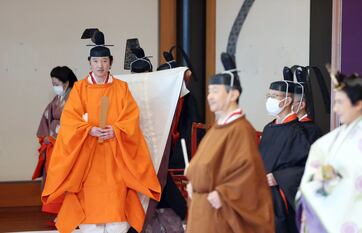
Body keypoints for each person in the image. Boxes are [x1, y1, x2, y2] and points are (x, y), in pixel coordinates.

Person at [41, 30, 161, 233]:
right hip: (88, 154)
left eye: (104, 61)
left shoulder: (121, 88)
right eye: (96, 61)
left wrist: (116, 130)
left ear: (110, 62)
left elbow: (131, 117)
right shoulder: (80, 89)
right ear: (90, 63)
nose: (100, 66)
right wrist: (88, 130)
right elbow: (70, 120)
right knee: (89, 206)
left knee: (116, 205)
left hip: (115, 153)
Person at [296, 73, 362, 233]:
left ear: (359, 104)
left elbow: (360, 190)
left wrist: (319, 190)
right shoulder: (341, 135)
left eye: (340, 102)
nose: (335, 109)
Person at [185, 53, 274, 233]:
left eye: (216, 91)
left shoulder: (240, 129)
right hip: (202, 208)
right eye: (209, 91)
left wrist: (225, 194)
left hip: (219, 211)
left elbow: (248, 175)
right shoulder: (217, 128)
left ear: (233, 94)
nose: (210, 96)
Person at [259, 80, 310, 233]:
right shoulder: (269, 128)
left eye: (275, 96)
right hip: (262, 195)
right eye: (269, 95)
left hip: (279, 199)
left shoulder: (298, 132)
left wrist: (278, 177)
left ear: (287, 101)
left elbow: (306, 167)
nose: (270, 99)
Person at [33, 66, 78, 215]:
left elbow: (76, 122)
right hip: (53, 143)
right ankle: (58, 212)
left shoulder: (75, 97)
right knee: (53, 176)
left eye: (56, 83)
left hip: (67, 145)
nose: (55, 87)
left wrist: (55, 136)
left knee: (66, 177)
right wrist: (46, 136)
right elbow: (47, 116)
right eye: (53, 84)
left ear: (66, 83)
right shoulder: (57, 99)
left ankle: (68, 213)